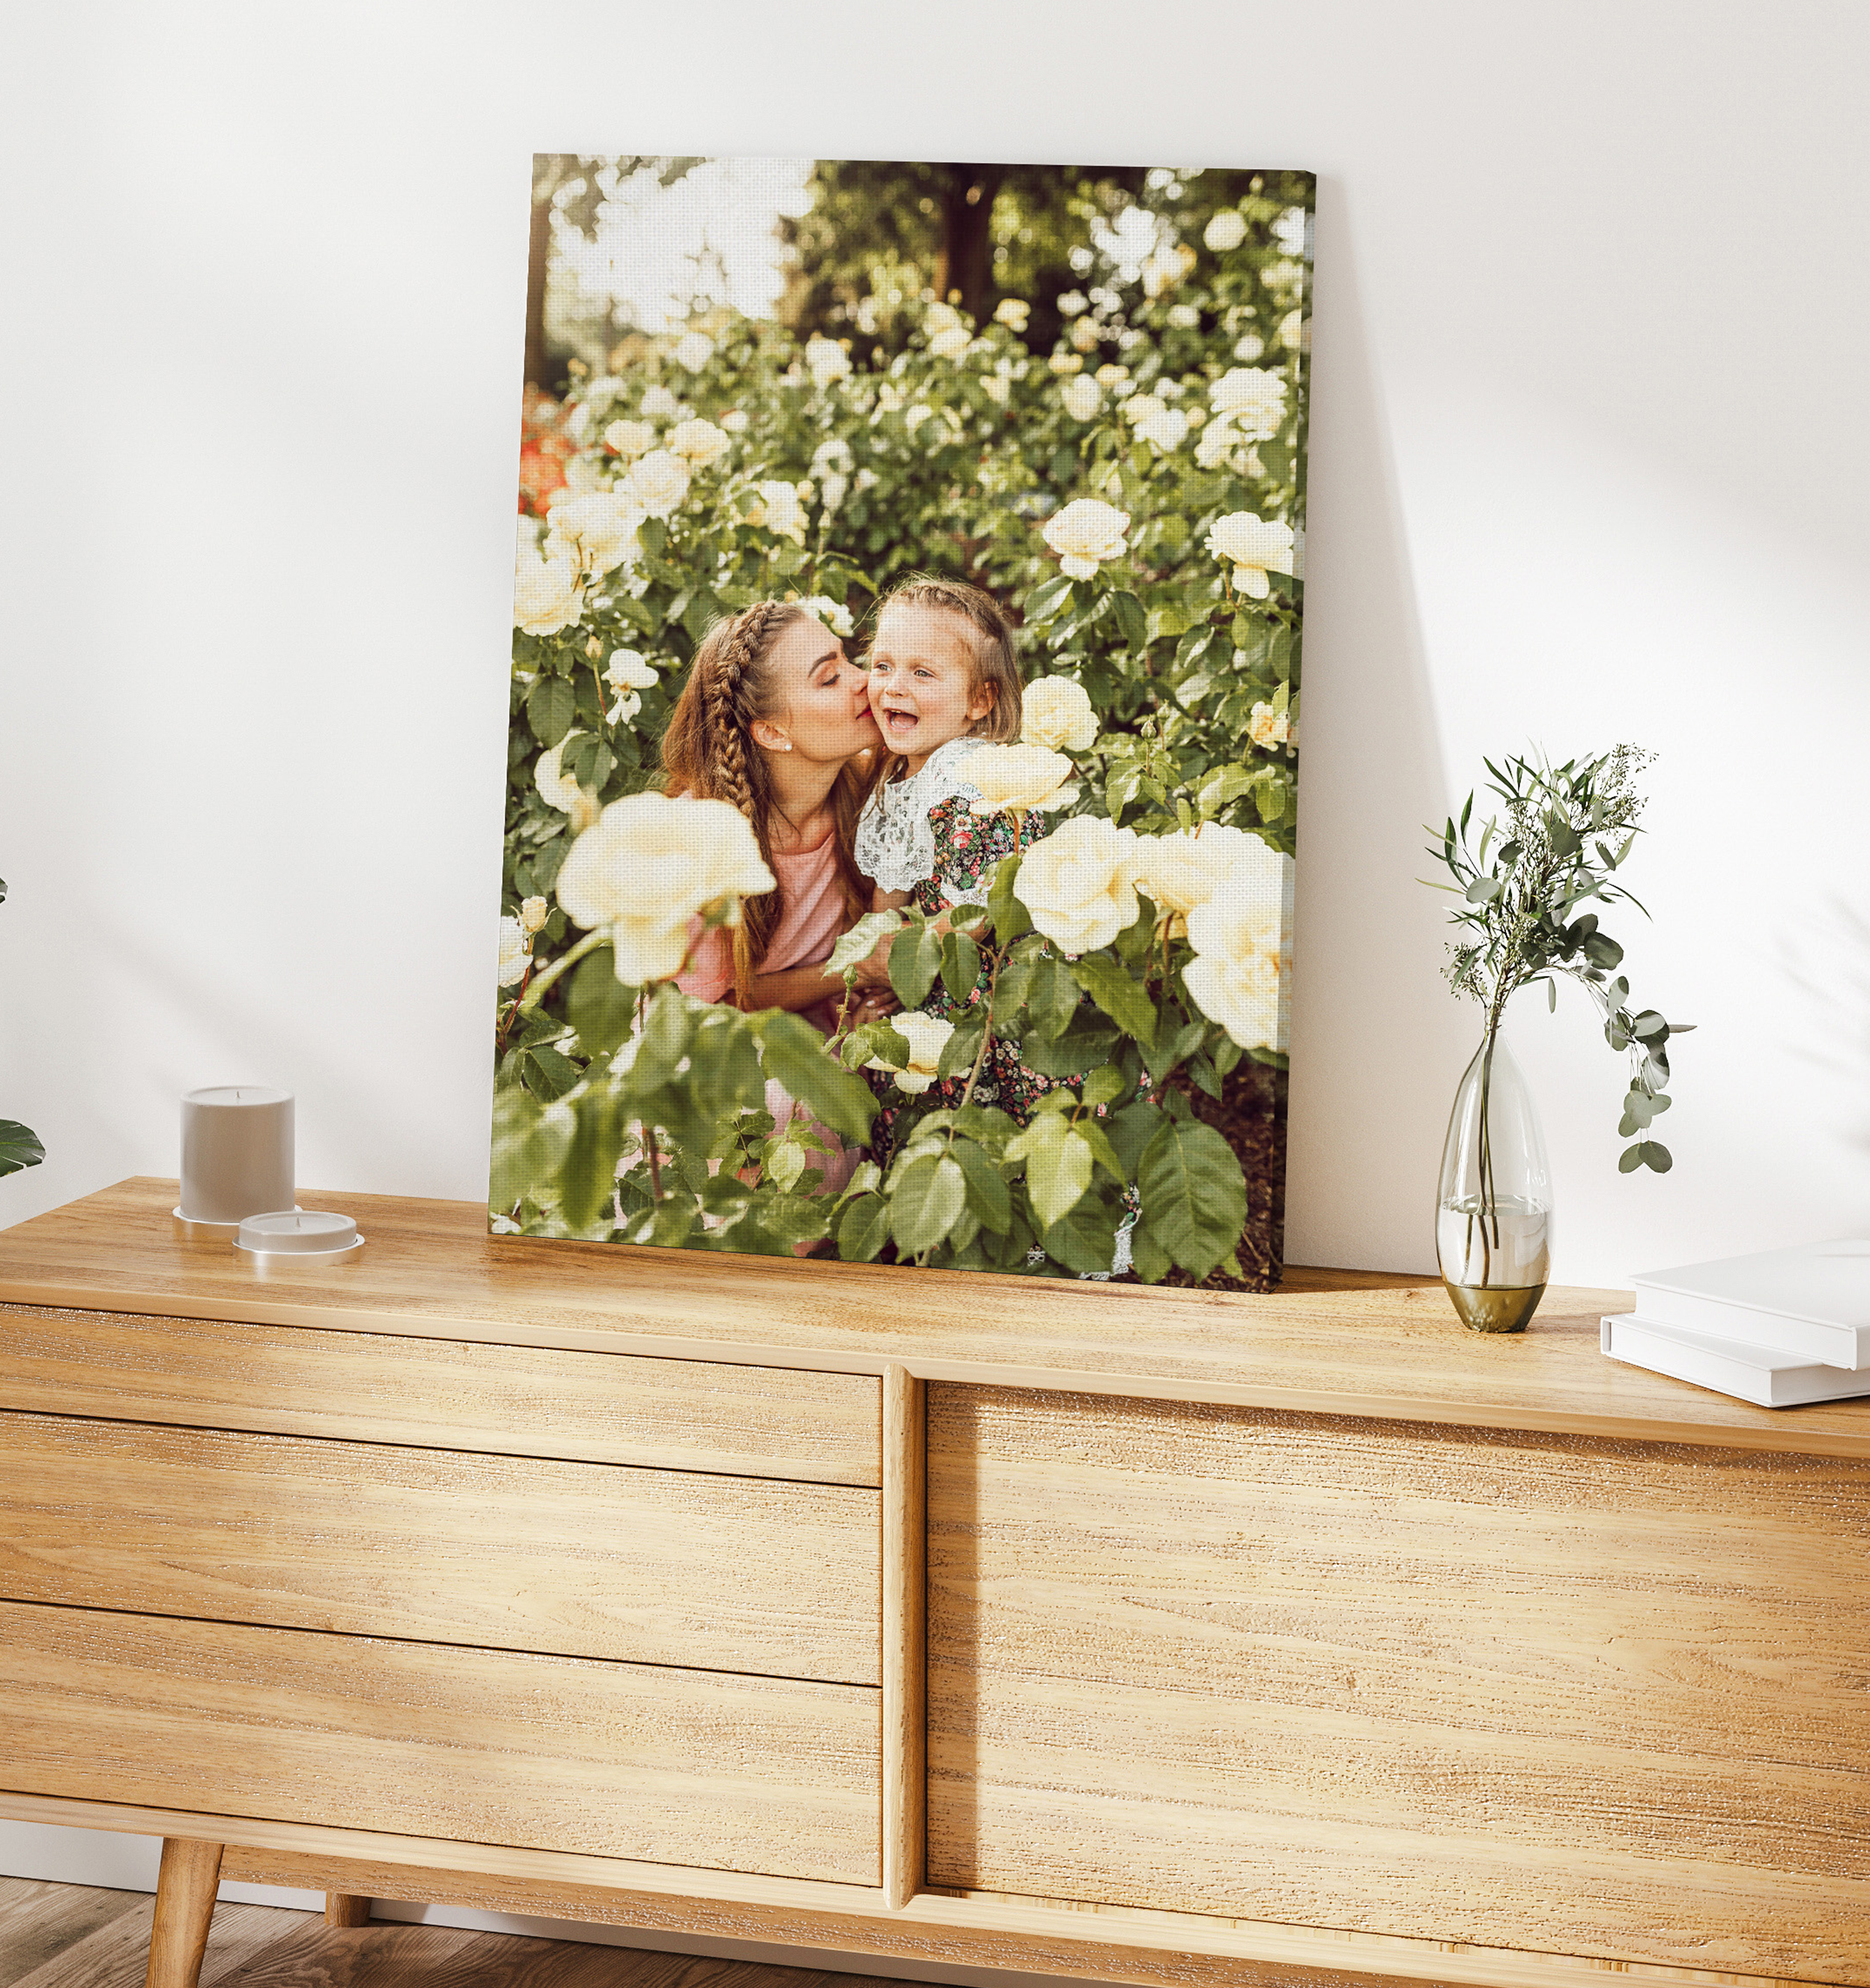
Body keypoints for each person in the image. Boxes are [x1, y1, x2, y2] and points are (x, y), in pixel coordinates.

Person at [665, 599, 893, 1193]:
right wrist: (854, 970)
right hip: (727, 1042)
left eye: (848, 658)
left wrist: (865, 998)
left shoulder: (870, 786)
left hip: (828, 1027)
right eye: (830, 676)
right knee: (778, 1106)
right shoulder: (706, 838)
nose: (863, 680)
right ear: (771, 731)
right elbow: (727, 999)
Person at [854, 575, 1058, 1127]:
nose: (895, 686)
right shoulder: (902, 777)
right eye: (882, 665)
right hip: (934, 977)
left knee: (991, 1120)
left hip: (989, 995)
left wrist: (889, 965)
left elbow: (976, 918)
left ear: (979, 699)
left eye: (923, 672)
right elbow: (889, 896)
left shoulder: (969, 782)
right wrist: (876, 956)